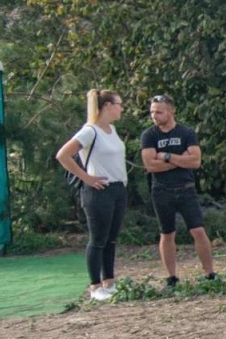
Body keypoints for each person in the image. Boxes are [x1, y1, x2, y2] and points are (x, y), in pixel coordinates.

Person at [55, 89, 128, 302]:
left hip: (118, 188)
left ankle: (109, 281)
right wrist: (87, 177)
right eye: (119, 104)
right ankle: (95, 286)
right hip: (98, 191)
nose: (121, 108)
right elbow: (63, 154)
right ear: (107, 106)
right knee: (98, 239)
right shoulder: (90, 131)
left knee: (111, 239)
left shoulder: (111, 129)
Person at [140, 93, 217, 287]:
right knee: (167, 234)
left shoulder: (186, 133)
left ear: (171, 112)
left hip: (186, 188)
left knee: (198, 230)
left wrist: (165, 156)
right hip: (161, 190)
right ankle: (171, 277)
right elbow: (150, 165)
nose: (154, 116)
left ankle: (210, 274)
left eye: (159, 112)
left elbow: (195, 161)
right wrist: (179, 160)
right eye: (152, 112)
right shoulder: (149, 135)